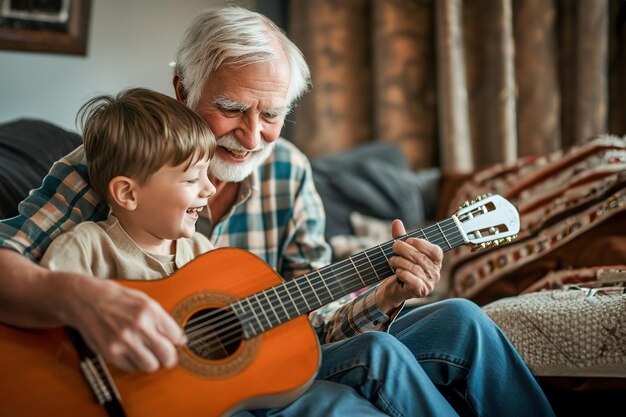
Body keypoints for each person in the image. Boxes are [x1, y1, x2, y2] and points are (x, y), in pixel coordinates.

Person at [0, 6, 555, 417]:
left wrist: (385, 297)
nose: (251, 136)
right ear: (181, 88)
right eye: (231, 109)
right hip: (156, 389)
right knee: (371, 365)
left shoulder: (287, 172)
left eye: (272, 114)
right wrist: (81, 297)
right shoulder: (112, 163)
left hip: (276, 360)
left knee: (463, 320)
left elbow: (312, 326)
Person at [40, 87, 216, 286]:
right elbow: (45, 307)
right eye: (192, 179)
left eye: (207, 173)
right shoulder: (86, 249)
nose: (210, 188)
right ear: (128, 193)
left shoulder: (203, 251)